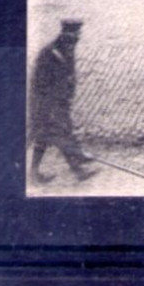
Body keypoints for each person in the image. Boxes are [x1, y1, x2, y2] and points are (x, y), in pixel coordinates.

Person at [28, 20, 97, 183]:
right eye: (75, 37)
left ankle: (35, 172)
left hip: (59, 102)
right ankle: (78, 169)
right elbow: (40, 82)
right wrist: (49, 106)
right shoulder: (50, 53)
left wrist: (67, 94)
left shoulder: (66, 49)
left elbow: (68, 75)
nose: (77, 40)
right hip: (47, 103)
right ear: (66, 35)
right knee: (59, 133)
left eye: (78, 37)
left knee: (47, 136)